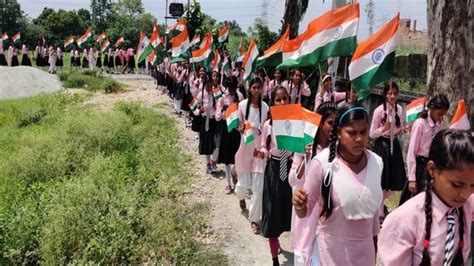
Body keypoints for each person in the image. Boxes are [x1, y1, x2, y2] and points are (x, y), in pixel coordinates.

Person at [292, 102, 383, 265]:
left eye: (363, 132)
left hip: (364, 256)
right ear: (339, 132)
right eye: (352, 133)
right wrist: (299, 203)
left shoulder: (376, 163)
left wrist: (373, 254)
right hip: (329, 255)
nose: (359, 139)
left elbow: (374, 218)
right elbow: (304, 213)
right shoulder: (322, 164)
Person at [378, 129, 474, 265]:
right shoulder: (405, 219)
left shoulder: (466, 204)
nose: (465, 194)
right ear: (432, 169)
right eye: (457, 184)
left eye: (473, 185)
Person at [288, 102, 338, 265]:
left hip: (328, 213)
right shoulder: (305, 146)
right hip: (307, 212)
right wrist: (305, 160)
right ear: (321, 122)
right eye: (330, 123)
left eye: (336, 123)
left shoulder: (338, 150)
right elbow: (292, 180)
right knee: (304, 254)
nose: (334, 127)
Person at [258, 86, 293, 266]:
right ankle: (274, 259)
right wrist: (262, 152)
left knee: (289, 209)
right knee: (271, 211)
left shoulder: (295, 123)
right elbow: (264, 145)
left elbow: (300, 148)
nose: (281, 102)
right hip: (273, 168)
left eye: (284, 98)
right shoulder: (268, 125)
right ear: (272, 103)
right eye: (277, 100)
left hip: (291, 169)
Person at [399, 93, 450, 205]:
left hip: (431, 165)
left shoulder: (439, 125)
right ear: (431, 109)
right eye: (439, 114)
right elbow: (412, 151)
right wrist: (412, 178)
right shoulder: (420, 124)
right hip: (420, 166)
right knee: (412, 201)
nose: (441, 117)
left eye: (443, 115)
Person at [234, 77, 269, 234]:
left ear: (262, 89)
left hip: (259, 152)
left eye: (259, 87)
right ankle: (240, 197)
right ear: (249, 89)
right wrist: (241, 128)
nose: (256, 90)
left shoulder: (265, 107)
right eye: (254, 87)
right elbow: (237, 125)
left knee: (258, 187)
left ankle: (254, 220)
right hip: (245, 149)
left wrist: (263, 149)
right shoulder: (241, 106)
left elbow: (267, 129)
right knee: (242, 186)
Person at [370, 81, 407, 220]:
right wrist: (383, 129)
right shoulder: (379, 110)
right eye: (390, 93)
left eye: (395, 93)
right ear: (385, 94)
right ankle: (379, 212)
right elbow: (372, 133)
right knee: (382, 180)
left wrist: (404, 130)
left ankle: (379, 204)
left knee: (395, 180)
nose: (392, 96)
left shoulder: (399, 109)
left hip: (394, 145)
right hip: (382, 145)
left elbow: (400, 128)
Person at [215, 76, 244, 194]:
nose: (232, 90)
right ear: (227, 87)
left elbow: (243, 113)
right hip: (226, 130)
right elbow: (217, 117)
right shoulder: (222, 99)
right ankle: (228, 183)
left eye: (234, 87)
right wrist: (223, 111)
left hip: (236, 131)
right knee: (227, 158)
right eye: (230, 87)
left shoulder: (240, 96)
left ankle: (235, 172)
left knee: (238, 155)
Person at [196, 75, 219, 174]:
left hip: (214, 120)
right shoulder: (201, 95)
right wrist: (199, 111)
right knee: (206, 143)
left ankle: (214, 161)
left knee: (216, 143)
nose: (209, 89)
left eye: (211, 86)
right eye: (207, 87)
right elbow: (195, 108)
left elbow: (219, 104)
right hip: (205, 120)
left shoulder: (216, 93)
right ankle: (208, 163)